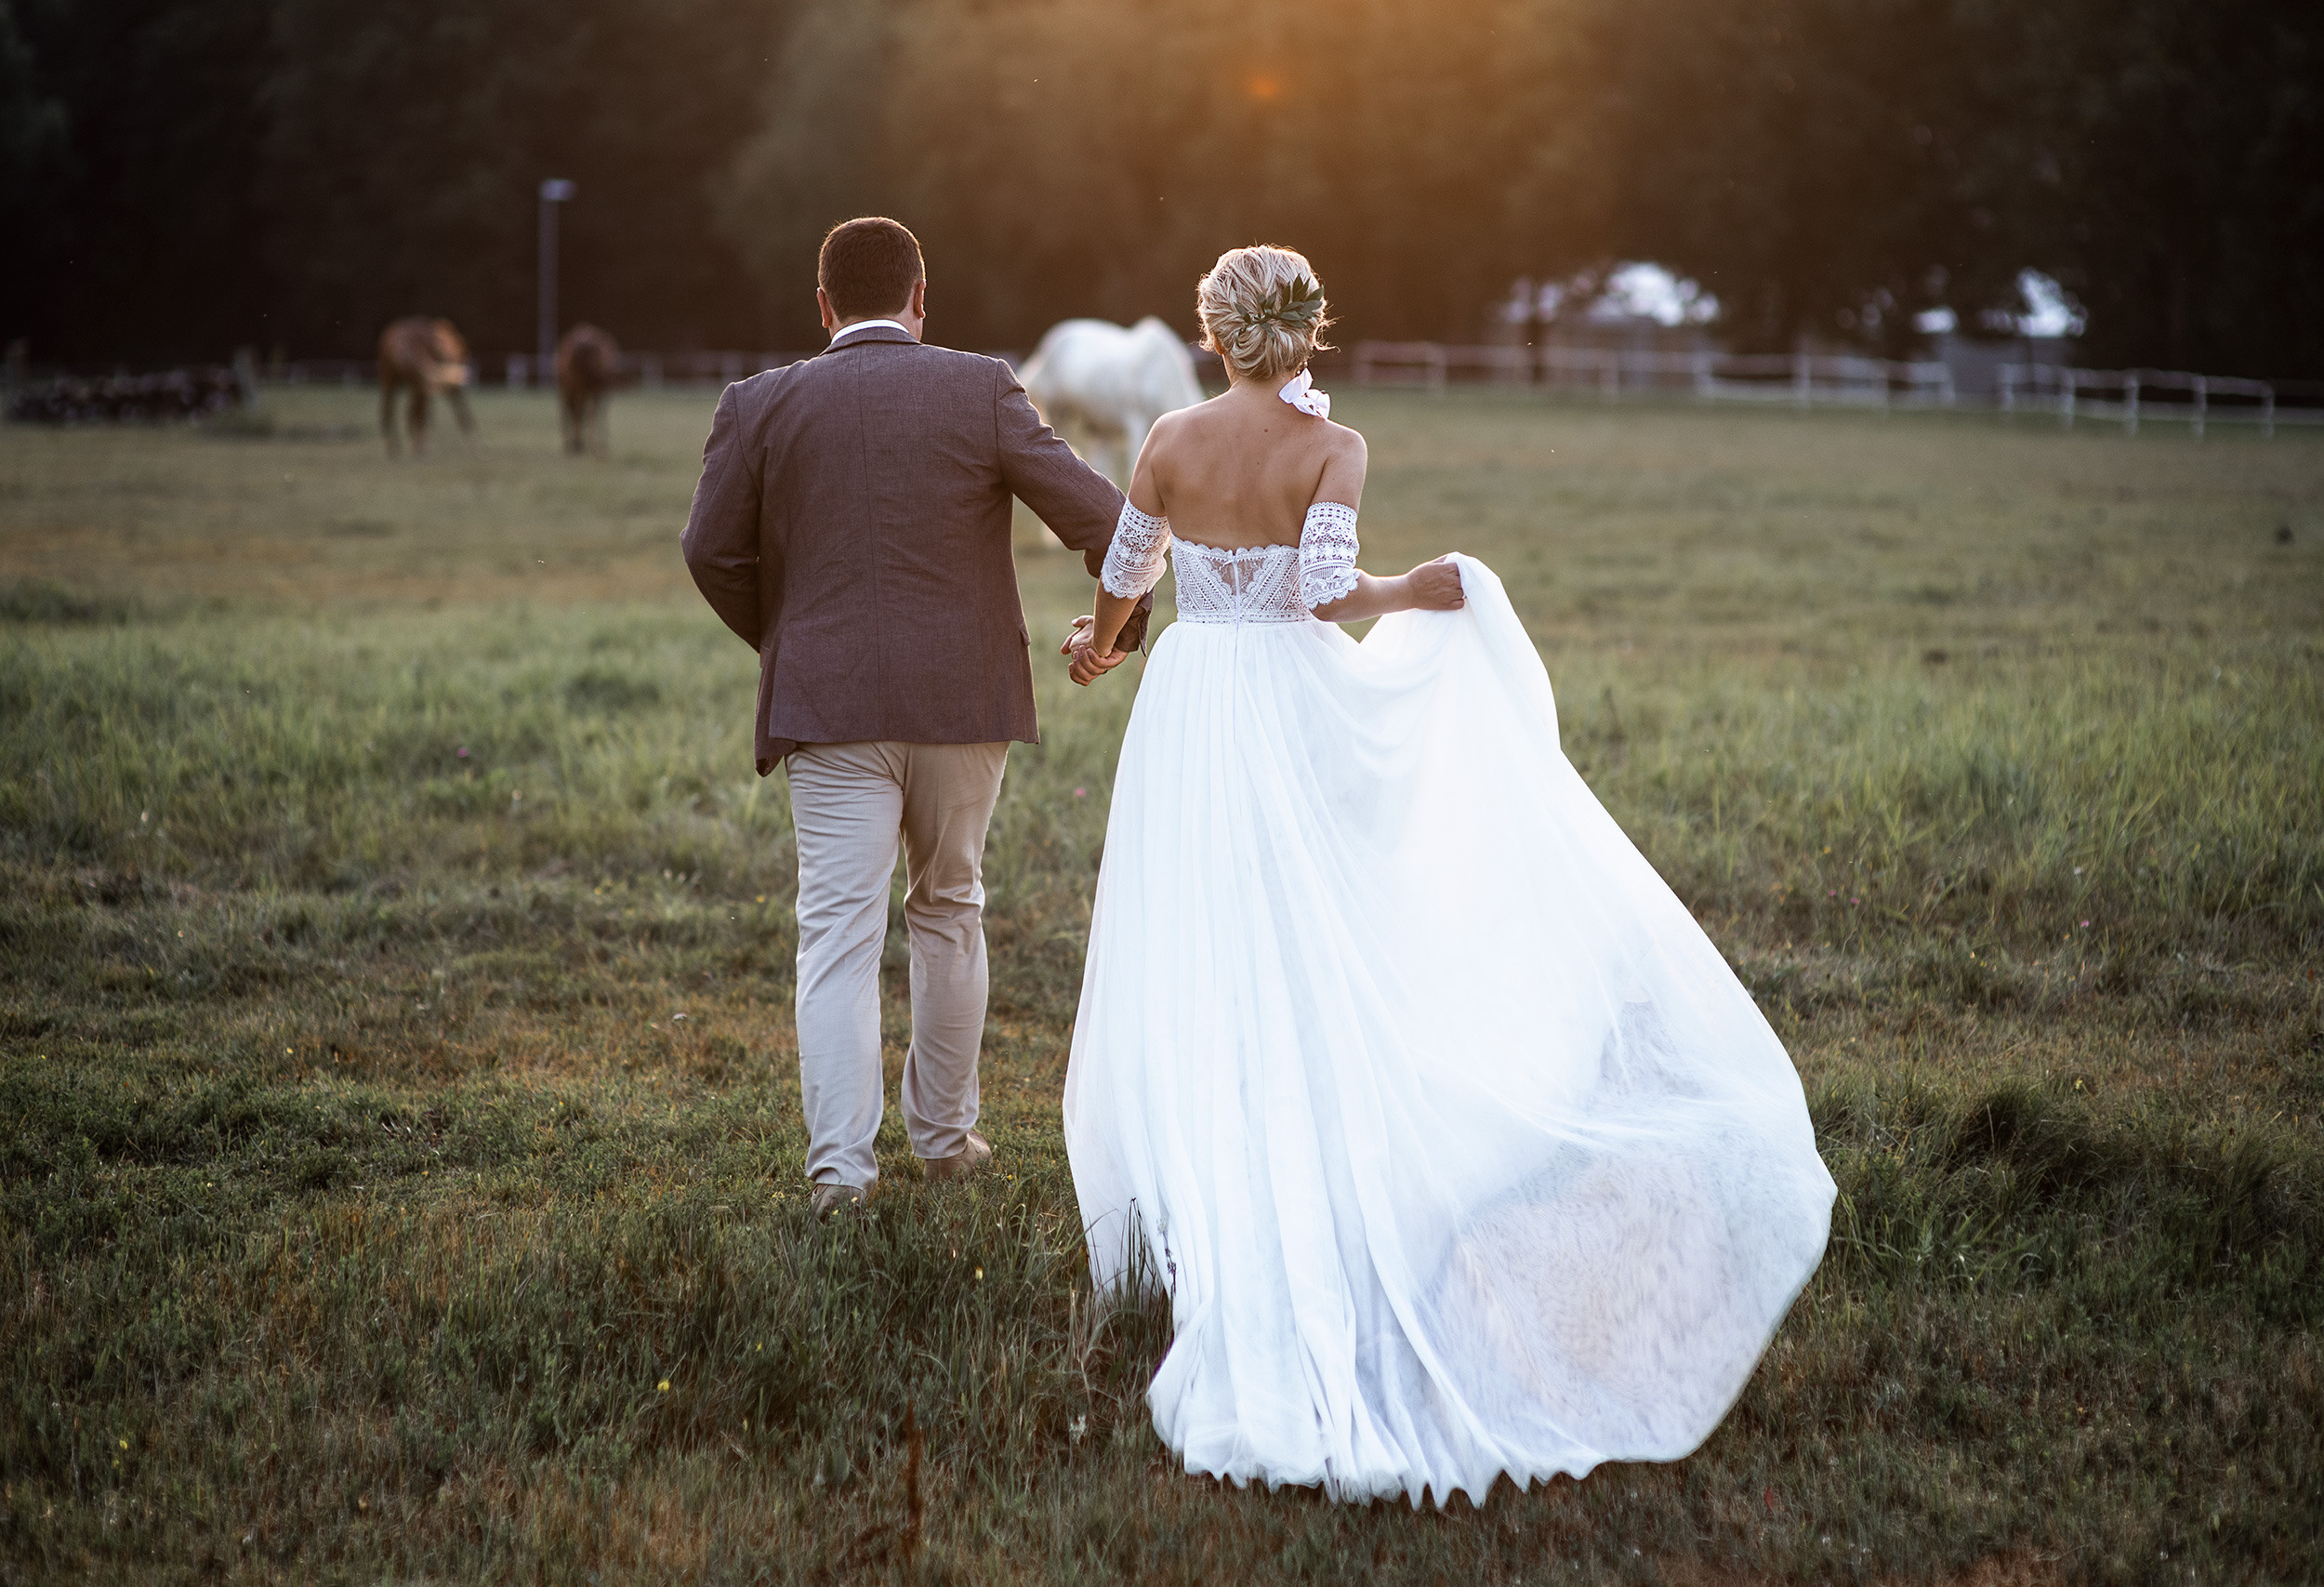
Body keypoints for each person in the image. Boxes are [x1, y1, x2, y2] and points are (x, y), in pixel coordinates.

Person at [1061, 245, 1836, 1506]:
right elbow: (1321, 597)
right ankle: (1317, 1160)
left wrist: (1101, 651)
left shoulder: (1166, 436)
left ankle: (1196, 1188)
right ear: (1309, 332)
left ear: (1214, 335)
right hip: (1285, 700)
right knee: (1319, 920)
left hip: (1192, 703)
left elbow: (1129, 566)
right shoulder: (1335, 447)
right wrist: (1418, 586)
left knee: (1201, 935)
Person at [681, 217, 1145, 1221]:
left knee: (836, 940)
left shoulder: (758, 402)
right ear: (920, 299)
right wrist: (1116, 633)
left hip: (827, 707)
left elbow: (708, 552)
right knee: (950, 911)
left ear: (823, 306)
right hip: (961, 702)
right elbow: (1112, 526)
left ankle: (840, 1177)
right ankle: (945, 1141)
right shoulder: (980, 386)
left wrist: (793, 638)